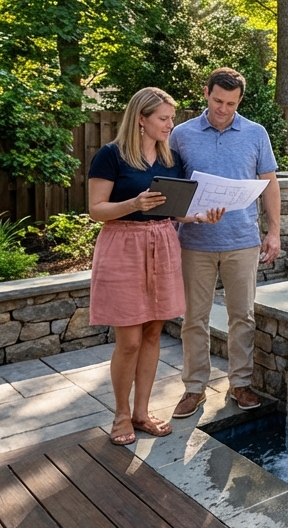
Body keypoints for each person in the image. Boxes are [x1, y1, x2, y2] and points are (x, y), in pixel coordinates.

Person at [88, 88, 225, 446]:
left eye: (171, 118)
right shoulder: (111, 155)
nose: (170, 125)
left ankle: (141, 413)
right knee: (129, 340)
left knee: (152, 334)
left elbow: (173, 210)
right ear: (141, 119)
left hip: (163, 243)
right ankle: (121, 415)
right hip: (123, 246)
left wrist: (199, 216)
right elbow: (96, 209)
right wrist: (133, 203)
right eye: (163, 118)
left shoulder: (169, 159)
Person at [170, 68, 281, 419]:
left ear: (240, 100)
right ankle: (194, 388)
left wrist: (274, 231)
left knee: (242, 316)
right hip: (194, 242)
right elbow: (171, 188)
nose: (223, 109)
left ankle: (241, 383)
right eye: (218, 101)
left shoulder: (255, 133)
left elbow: (270, 183)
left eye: (231, 104)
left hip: (242, 240)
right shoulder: (181, 134)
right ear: (206, 93)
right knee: (194, 319)